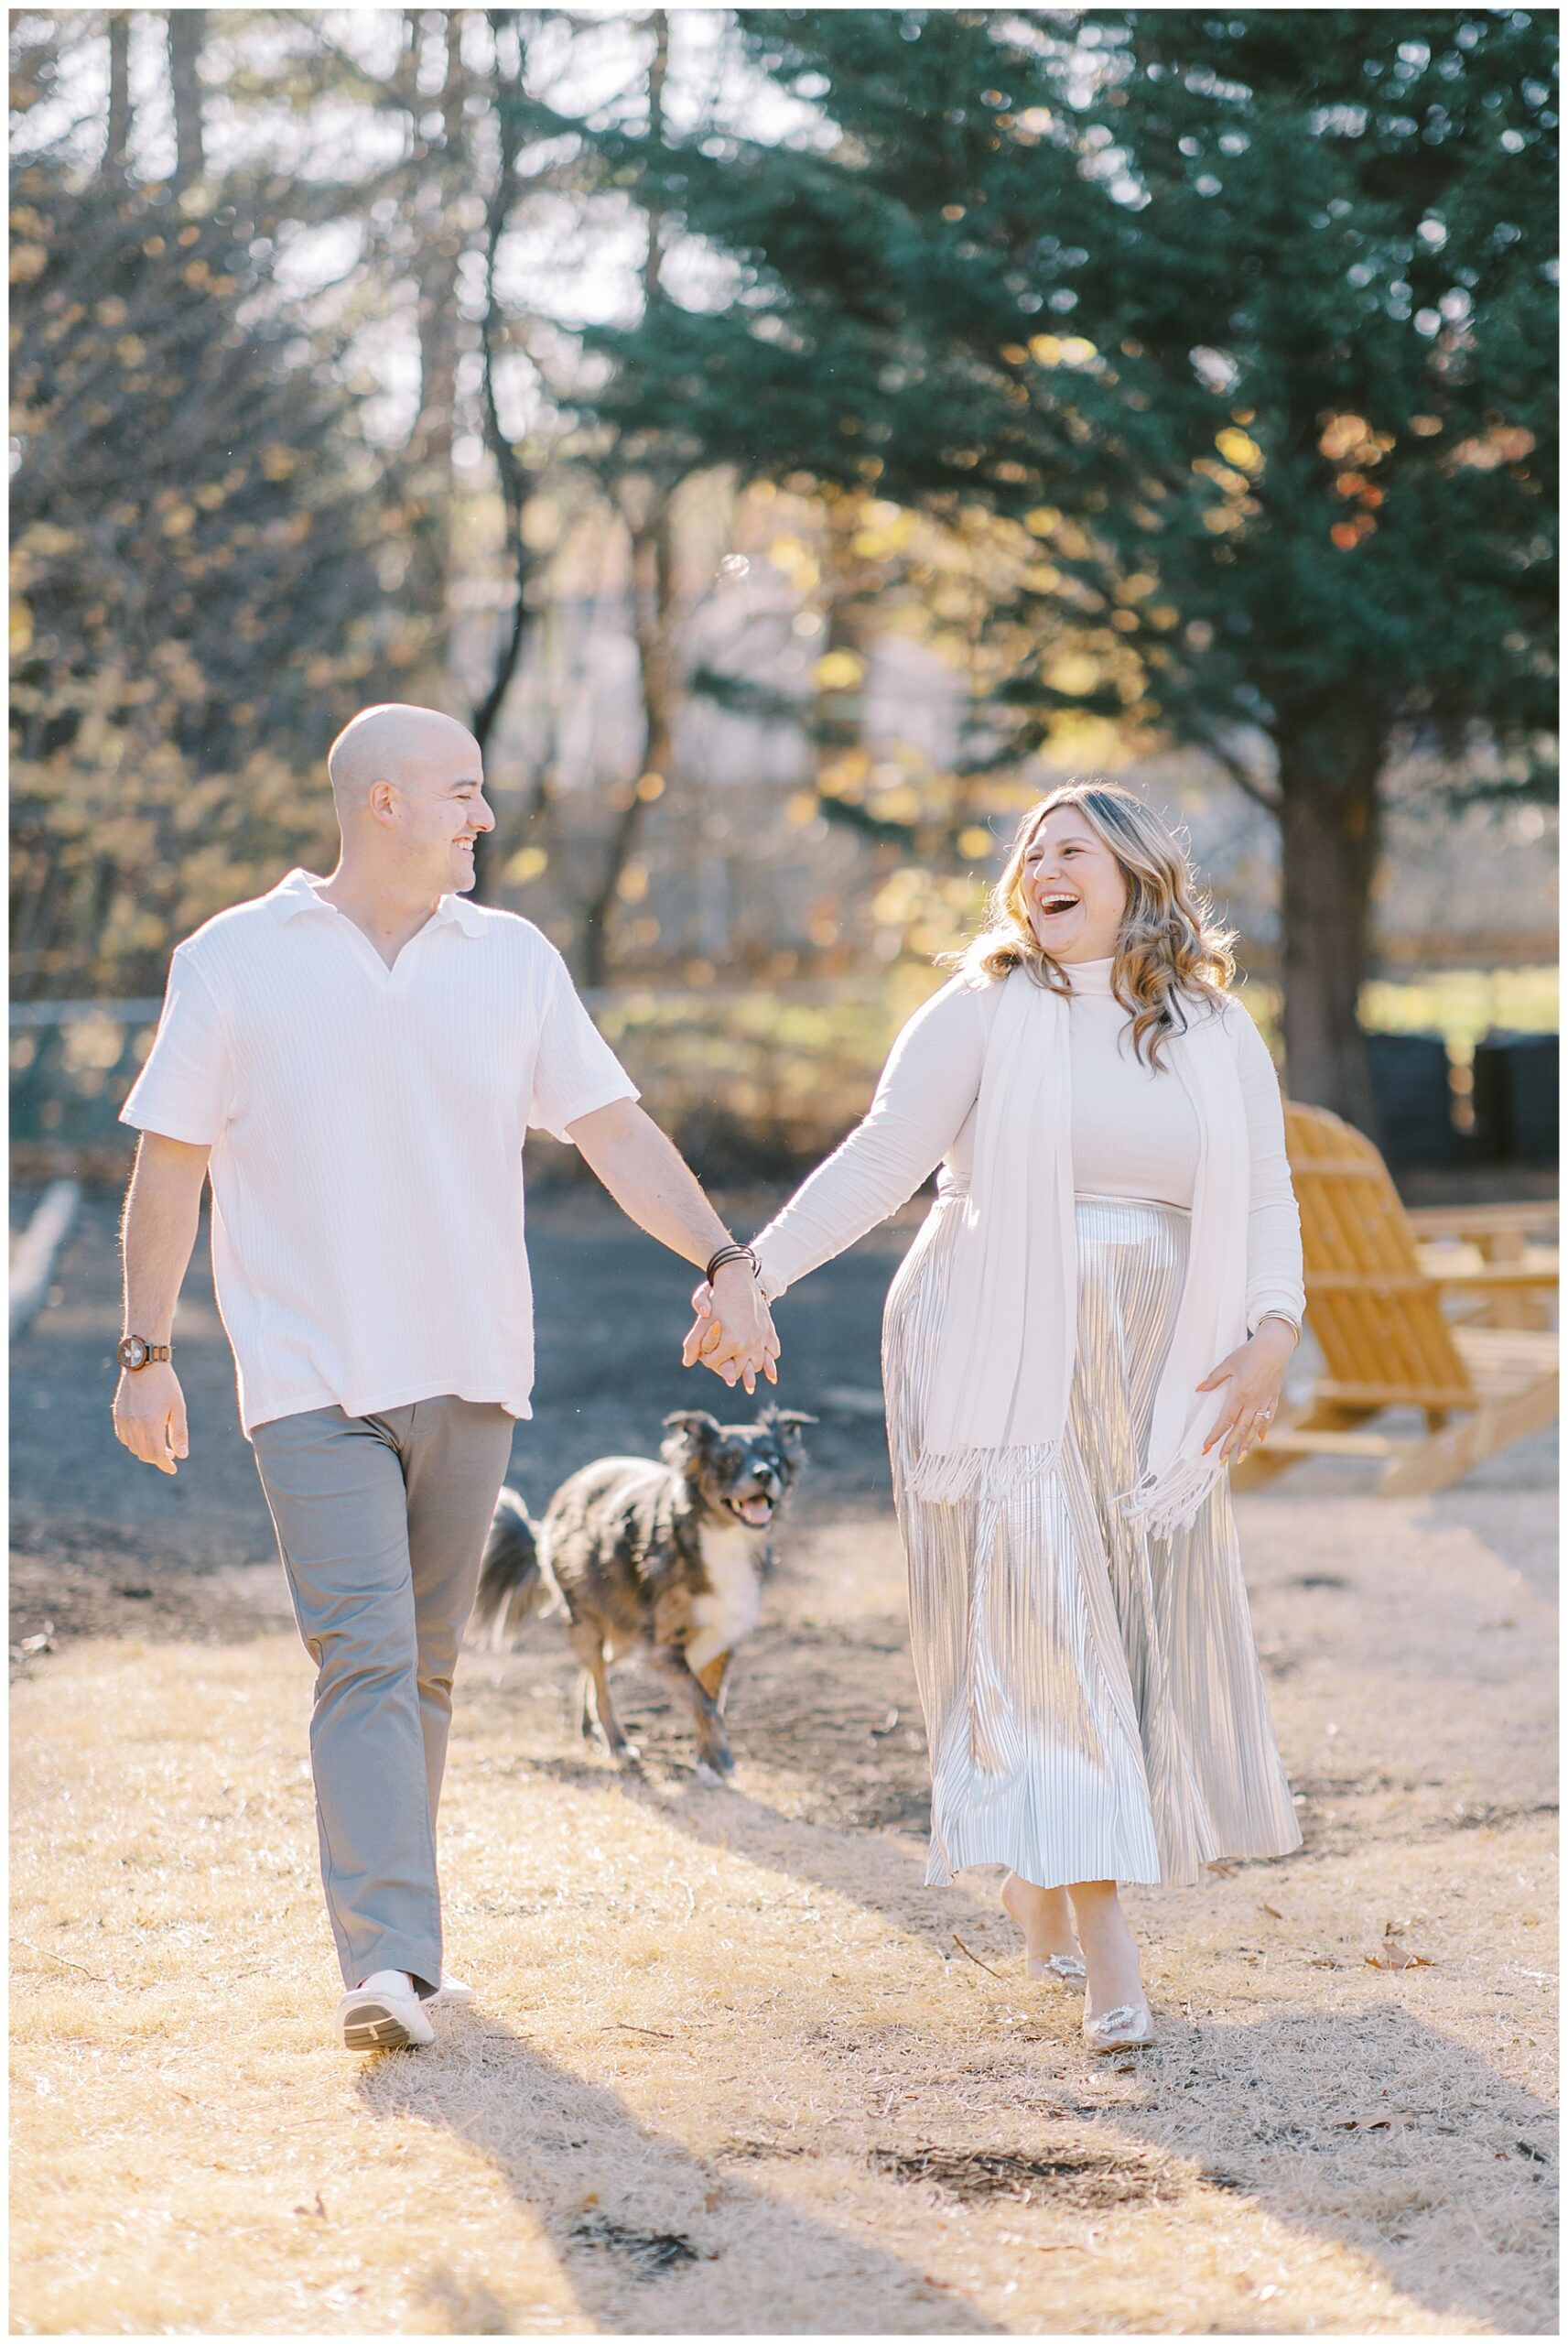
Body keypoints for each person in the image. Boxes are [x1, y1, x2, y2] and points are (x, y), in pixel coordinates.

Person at [113, 701, 778, 2053]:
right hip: (308, 1369)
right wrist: (146, 1350)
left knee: (421, 1664)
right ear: (382, 805)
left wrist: (723, 1256)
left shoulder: (511, 960)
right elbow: (170, 1159)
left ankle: (402, 1944)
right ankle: (386, 1962)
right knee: (360, 1653)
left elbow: (612, 1127)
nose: (484, 816)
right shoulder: (236, 958)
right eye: (461, 793)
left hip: (472, 1366)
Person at [687, 781, 1303, 2051]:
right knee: (1045, 1612)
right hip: (992, 1336)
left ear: (1134, 875)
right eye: (1030, 854)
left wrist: (1272, 1332)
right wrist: (753, 1272)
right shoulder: (981, 1007)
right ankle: (1108, 1949)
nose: (1043, 869)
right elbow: (878, 1158)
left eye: (1071, 850)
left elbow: (1262, 1200)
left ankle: (1040, 1867)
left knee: (1120, 1624)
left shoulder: (1209, 1023)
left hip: (1157, 1360)